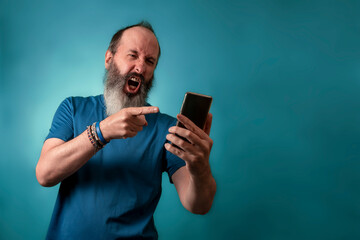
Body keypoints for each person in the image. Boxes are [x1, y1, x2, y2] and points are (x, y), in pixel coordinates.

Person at [36, 21, 216, 239]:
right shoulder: (73, 108)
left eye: (150, 61)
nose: (140, 67)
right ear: (109, 59)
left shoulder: (166, 128)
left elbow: (197, 205)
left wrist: (200, 167)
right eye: (133, 55)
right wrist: (101, 132)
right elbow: (45, 174)